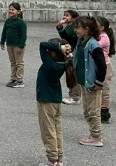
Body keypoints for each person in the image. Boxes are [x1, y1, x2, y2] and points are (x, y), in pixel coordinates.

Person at [36, 38, 73, 166]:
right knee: (57, 129)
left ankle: (52, 159)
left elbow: (42, 44)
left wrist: (59, 46)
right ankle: (59, 158)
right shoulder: (63, 62)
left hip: (46, 100)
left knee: (48, 130)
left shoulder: (49, 63)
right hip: (56, 100)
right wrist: (61, 48)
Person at [73, 16, 107, 147]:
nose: (75, 30)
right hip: (83, 81)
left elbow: (102, 65)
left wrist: (99, 82)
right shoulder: (80, 41)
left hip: (92, 84)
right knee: (87, 110)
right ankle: (93, 133)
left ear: (86, 29)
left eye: (78, 28)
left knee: (93, 111)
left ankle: (96, 136)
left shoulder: (93, 45)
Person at [95, 16, 116, 124]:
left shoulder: (104, 37)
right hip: (98, 65)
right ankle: (97, 109)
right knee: (97, 88)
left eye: (95, 24)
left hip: (105, 66)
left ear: (102, 27)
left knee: (105, 89)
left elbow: (94, 46)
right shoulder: (98, 35)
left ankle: (104, 112)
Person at [56, 10, 81, 105]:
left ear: (74, 18)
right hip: (69, 51)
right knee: (70, 74)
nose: (65, 17)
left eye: (67, 15)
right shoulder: (70, 26)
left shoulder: (75, 27)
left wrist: (60, 27)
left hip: (73, 52)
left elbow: (68, 37)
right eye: (64, 15)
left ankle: (75, 97)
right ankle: (72, 95)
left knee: (73, 75)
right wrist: (60, 27)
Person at [0, 2, 27, 88]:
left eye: (13, 10)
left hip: (18, 46)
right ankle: (14, 78)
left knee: (19, 63)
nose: (10, 11)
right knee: (13, 62)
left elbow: (23, 35)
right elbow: (4, 32)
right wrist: (2, 42)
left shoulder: (21, 22)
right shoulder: (8, 21)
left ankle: (20, 80)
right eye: (10, 9)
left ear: (18, 11)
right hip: (9, 45)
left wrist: (21, 46)